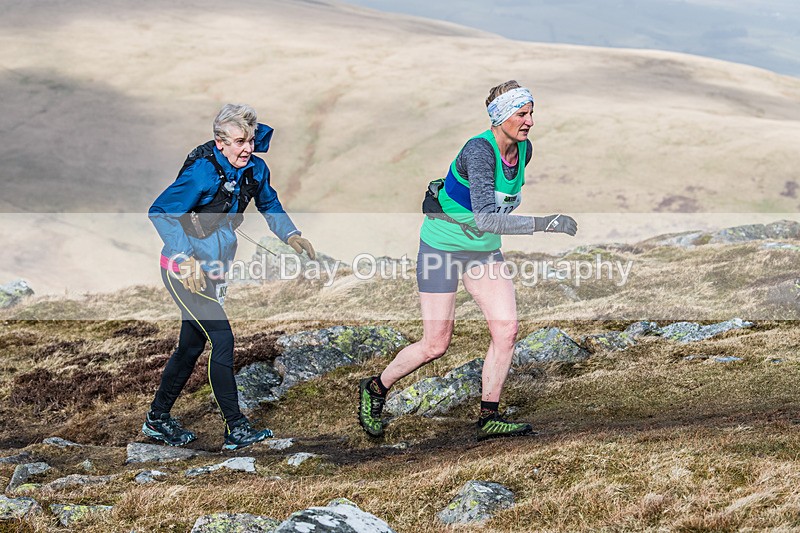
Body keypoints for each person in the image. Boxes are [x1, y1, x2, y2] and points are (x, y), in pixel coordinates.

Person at [358, 81, 578, 441]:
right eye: (522, 114)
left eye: (531, 113)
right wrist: (544, 223)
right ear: (501, 116)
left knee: (506, 331)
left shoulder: (524, 150)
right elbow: (485, 218)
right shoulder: (479, 151)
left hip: (483, 252)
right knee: (435, 345)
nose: (530, 122)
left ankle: (488, 417)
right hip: (441, 248)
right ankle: (375, 389)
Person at [144, 103, 315, 450]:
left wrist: (291, 234)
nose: (247, 148)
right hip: (183, 272)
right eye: (238, 142)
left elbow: (269, 203)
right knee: (222, 339)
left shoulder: (255, 169)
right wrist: (184, 257)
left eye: (250, 140)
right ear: (220, 143)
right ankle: (236, 428)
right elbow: (160, 211)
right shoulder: (202, 174)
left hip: (215, 270)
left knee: (191, 346)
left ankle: (157, 419)